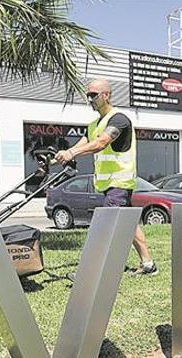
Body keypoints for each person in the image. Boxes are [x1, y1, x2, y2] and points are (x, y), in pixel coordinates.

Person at [54, 79, 156, 276]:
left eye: (94, 95)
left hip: (119, 182)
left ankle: (91, 271)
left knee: (105, 226)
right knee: (130, 226)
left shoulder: (119, 120)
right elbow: (80, 145)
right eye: (88, 95)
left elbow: (101, 143)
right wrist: (59, 157)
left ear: (107, 95)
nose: (89, 99)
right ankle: (148, 264)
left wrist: (72, 154)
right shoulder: (93, 125)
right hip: (108, 185)